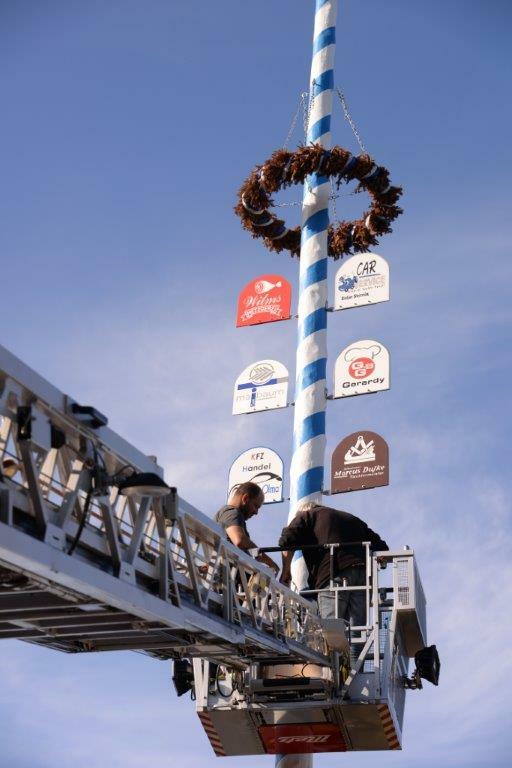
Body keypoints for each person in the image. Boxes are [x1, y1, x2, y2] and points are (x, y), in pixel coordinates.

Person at [278, 502, 388, 628]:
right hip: (363, 577)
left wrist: (286, 574)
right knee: (357, 631)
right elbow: (382, 547)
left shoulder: (308, 515)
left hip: (333, 574)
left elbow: (286, 540)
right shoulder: (352, 519)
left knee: (332, 630)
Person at [215, 482, 279, 575]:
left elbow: (249, 550)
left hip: (231, 574)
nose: (256, 512)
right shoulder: (232, 513)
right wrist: (270, 562)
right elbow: (239, 540)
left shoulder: (230, 514)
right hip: (229, 576)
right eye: (256, 506)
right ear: (245, 498)